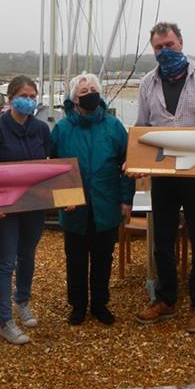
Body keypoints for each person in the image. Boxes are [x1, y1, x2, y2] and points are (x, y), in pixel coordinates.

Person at [132, 22, 195, 333]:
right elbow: (142, 129)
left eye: (170, 45)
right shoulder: (147, 82)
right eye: (159, 47)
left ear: (181, 43)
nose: (165, 50)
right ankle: (166, 300)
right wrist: (137, 163)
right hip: (164, 175)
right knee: (163, 241)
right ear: (153, 49)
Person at [50, 73, 135, 326]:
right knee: (75, 258)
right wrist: (61, 197)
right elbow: (54, 166)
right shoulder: (62, 129)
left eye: (92, 89)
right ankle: (78, 305)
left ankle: (100, 303)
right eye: (83, 91)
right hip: (73, 204)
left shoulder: (113, 126)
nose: (89, 94)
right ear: (74, 98)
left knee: (102, 257)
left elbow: (126, 164)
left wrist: (126, 199)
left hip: (106, 202)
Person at [0, 75, 51, 344]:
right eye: (24, 95)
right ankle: (4, 319)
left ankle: (22, 300)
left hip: (33, 205)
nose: (29, 101)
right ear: (10, 99)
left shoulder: (42, 129)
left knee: (28, 255)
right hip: (5, 209)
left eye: (33, 96)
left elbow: (50, 167)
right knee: (5, 262)